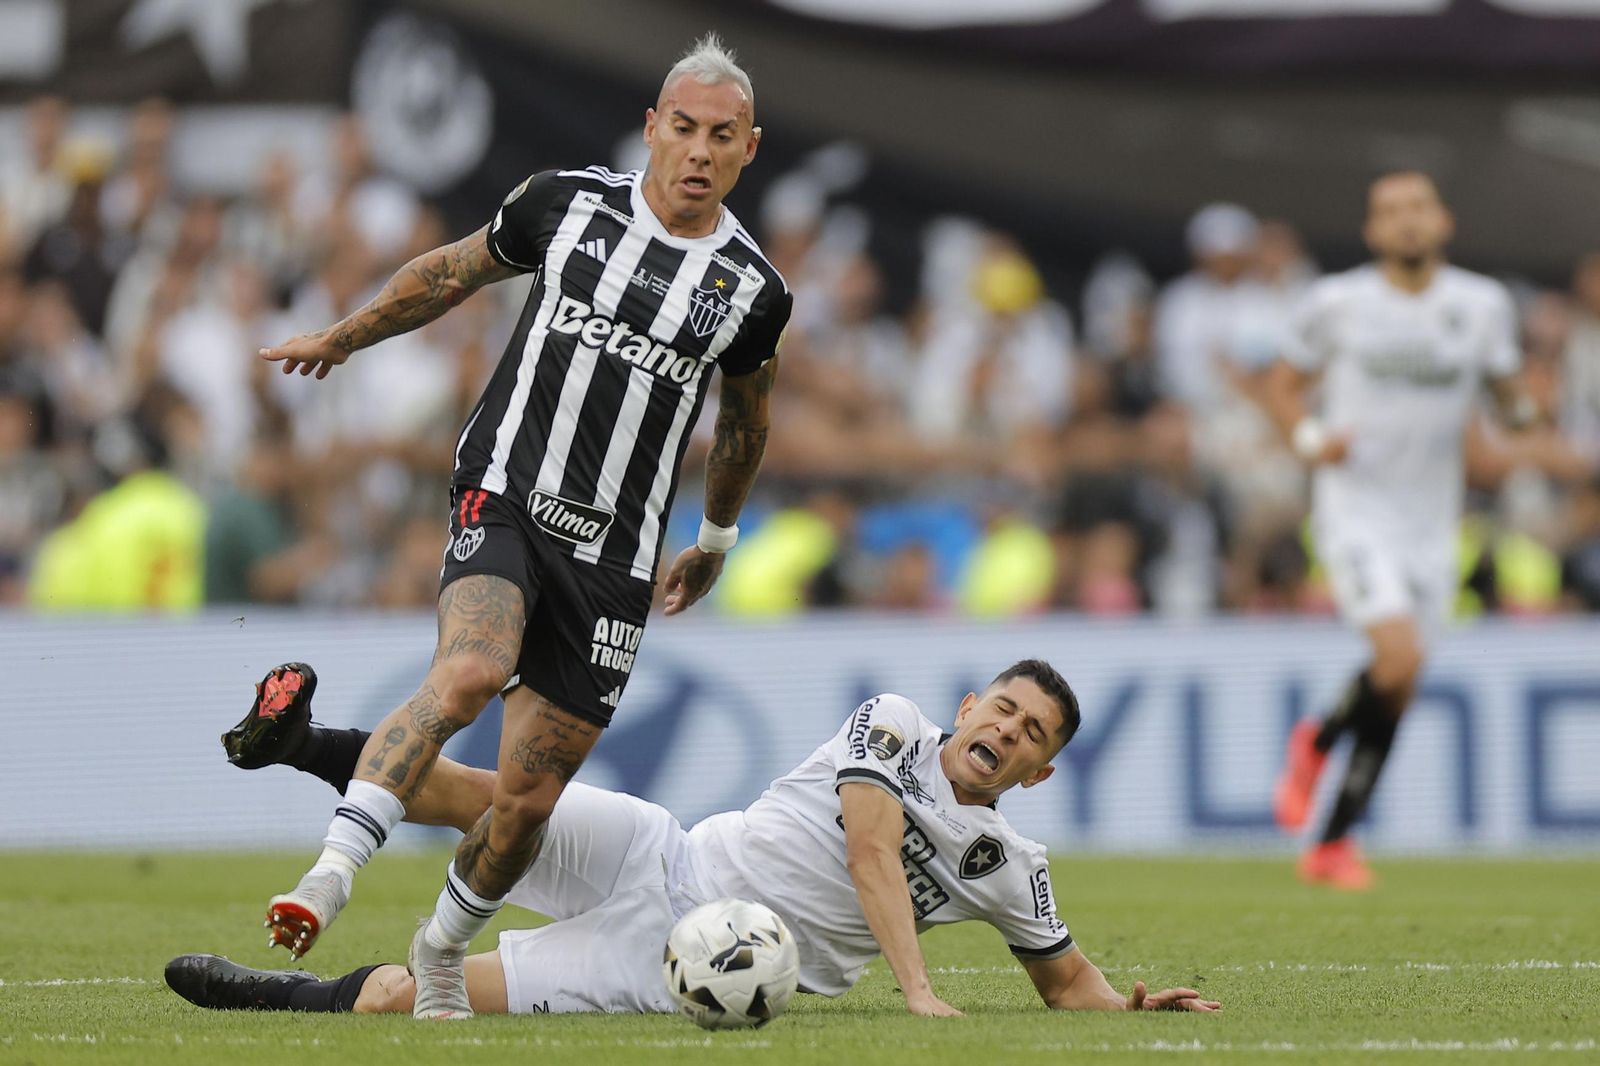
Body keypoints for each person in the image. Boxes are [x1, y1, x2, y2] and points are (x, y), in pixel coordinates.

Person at [239, 33, 792, 1020]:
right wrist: (345, 336)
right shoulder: (565, 204)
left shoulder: (752, 291)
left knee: (524, 804)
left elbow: (746, 424)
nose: (700, 151)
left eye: (722, 136)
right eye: (684, 127)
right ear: (651, 128)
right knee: (468, 672)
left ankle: (441, 946)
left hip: (616, 557)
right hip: (507, 492)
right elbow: (448, 273)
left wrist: (715, 539)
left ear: (749, 148)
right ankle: (329, 874)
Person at [179, 659, 1220, 1018]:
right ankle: (296, 741)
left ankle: (267, 994)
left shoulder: (1011, 868)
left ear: (1041, 773)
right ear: (968, 705)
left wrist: (1127, 1009)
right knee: (485, 794)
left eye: (1032, 735)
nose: (1007, 731)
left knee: (412, 999)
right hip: (666, 852)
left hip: (685, 960)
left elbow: (1064, 982)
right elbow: (869, 848)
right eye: (1002, 708)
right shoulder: (896, 722)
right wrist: (915, 987)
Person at [1265, 172, 1545, 889]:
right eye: (1391, 212)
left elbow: (1507, 396)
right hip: (1356, 508)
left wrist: (1522, 413)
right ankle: (1317, 748)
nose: (1407, 222)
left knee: (1402, 682)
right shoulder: (1339, 302)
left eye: (1418, 208)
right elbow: (1282, 385)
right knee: (1395, 658)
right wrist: (1309, 438)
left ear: (1443, 221)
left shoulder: (1481, 306)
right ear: (1372, 231)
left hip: (1432, 523)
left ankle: (1330, 841)